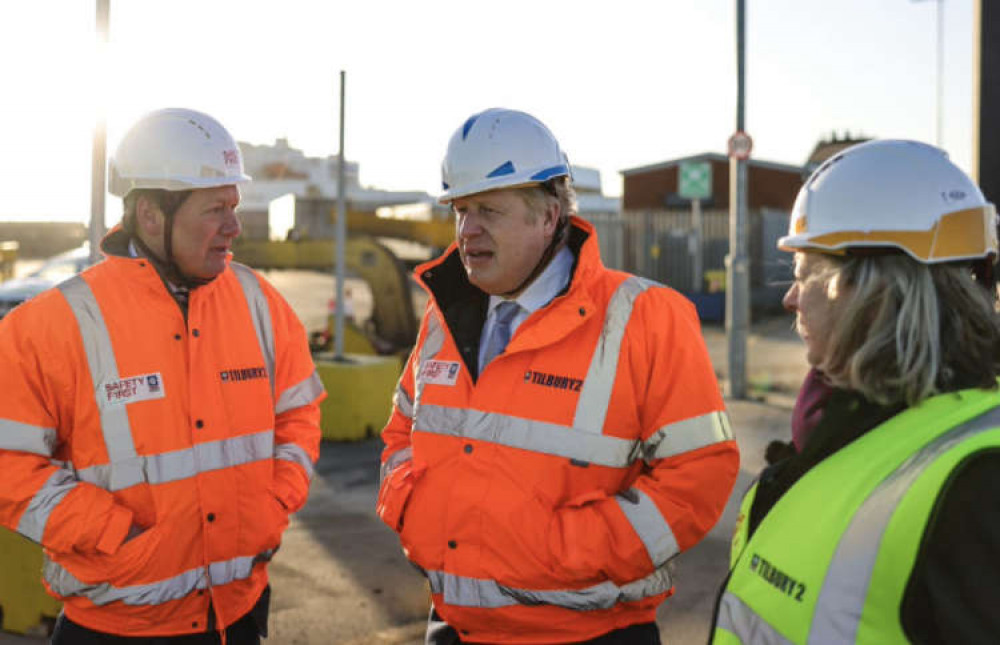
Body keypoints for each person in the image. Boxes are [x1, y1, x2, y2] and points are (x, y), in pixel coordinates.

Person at [376, 107, 739, 644]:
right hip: (453, 625)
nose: (466, 231)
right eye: (461, 210)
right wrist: (416, 515)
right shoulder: (444, 316)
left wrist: (565, 550)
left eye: (489, 211)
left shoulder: (646, 317)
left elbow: (698, 478)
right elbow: (402, 433)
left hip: (589, 633)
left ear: (549, 216)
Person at [0, 108, 325, 643]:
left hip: (235, 616)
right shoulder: (55, 324)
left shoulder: (259, 303)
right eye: (215, 208)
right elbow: (9, 460)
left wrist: (273, 503)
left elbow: (299, 413)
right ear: (150, 214)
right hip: (116, 624)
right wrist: (107, 532)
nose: (234, 227)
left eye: (234, 206)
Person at [711, 140, 1000, 644]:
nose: (789, 297)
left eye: (803, 275)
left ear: (866, 291)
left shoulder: (979, 483)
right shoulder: (856, 424)